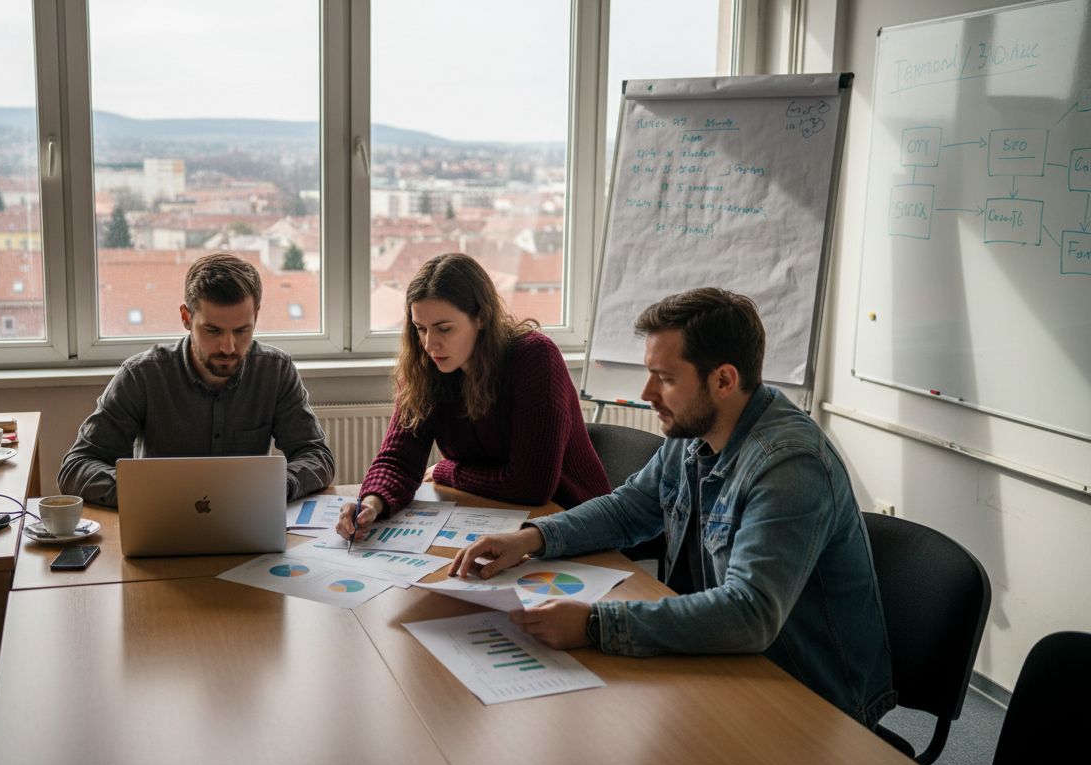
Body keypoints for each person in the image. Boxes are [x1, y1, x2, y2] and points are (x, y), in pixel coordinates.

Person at [449, 287, 896, 727]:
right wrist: (532, 538)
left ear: (723, 380)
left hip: (808, 696)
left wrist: (593, 624)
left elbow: (750, 614)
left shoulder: (789, 466)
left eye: (664, 378)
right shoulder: (694, 434)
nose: (647, 393)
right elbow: (629, 509)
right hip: (729, 661)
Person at [336, 252, 609, 539]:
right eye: (420, 329)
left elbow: (531, 486)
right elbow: (398, 460)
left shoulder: (535, 357)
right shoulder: (425, 367)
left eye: (444, 328)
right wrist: (370, 504)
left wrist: (446, 470)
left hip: (572, 522)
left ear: (481, 317)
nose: (430, 344)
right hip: (493, 517)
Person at [59, 251, 334, 506]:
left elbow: (317, 456)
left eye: (242, 330)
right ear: (186, 317)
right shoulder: (143, 376)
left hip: (249, 529)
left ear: (256, 316)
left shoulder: (275, 371)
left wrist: (277, 487)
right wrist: (152, 494)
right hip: (161, 523)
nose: (229, 347)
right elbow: (77, 467)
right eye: (213, 330)